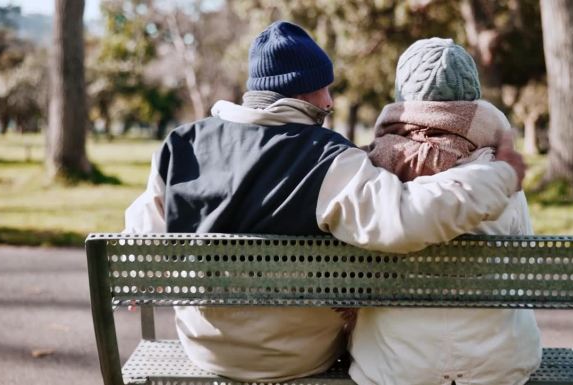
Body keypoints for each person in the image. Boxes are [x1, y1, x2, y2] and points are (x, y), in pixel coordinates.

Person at [124, 22, 527, 382]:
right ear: (304, 90)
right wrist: (499, 176)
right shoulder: (328, 159)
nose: (330, 101)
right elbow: (404, 218)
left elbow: (142, 233)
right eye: (325, 88)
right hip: (298, 356)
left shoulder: (180, 146)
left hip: (205, 348)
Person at [349, 38, 542, 385]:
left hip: (393, 365)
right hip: (500, 365)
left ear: (402, 98)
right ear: (473, 99)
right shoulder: (502, 175)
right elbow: (523, 265)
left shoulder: (373, 174)